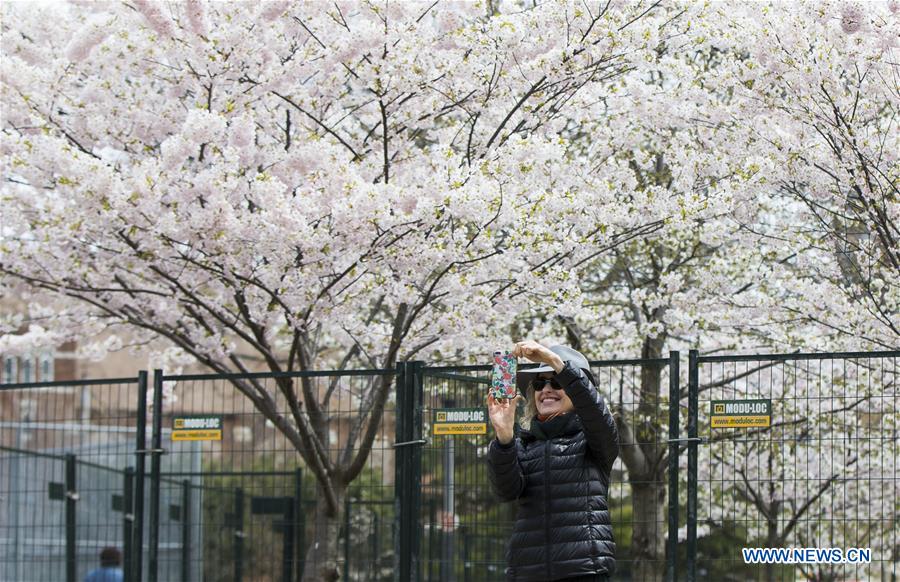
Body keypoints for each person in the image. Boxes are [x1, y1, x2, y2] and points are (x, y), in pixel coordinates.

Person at [487, 340, 619, 582]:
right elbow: (505, 491)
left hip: (583, 571)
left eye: (556, 382)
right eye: (539, 383)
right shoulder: (524, 444)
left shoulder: (594, 440)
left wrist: (556, 363)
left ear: (578, 391)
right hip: (528, 571)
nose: (546, 389)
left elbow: (595, 413)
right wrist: (504, 438)